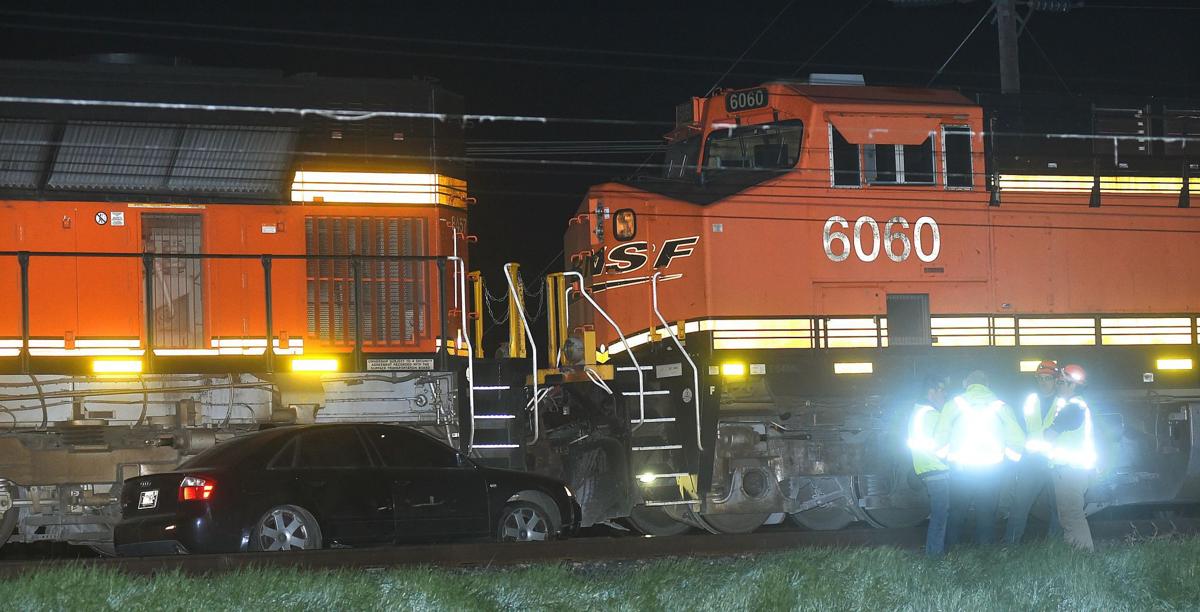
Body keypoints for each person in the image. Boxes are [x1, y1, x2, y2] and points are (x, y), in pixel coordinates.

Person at [935, 370, 1025, 547]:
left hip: (961, 469)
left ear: (965, 383)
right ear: (988, 385)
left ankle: (952, 553)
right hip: (991, 470)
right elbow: (1018, 438)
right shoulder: (1001, 406)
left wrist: (945, 457)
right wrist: (1008, 461)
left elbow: (940, 436)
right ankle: (985, 555)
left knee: (957, 513)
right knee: (987, 514)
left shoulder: (953, 405)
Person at [1004, 360, 1061, 544]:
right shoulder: (1030, 401)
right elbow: (1019, 428)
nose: (1043, 382)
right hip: (1032, 461)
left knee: (1058, 508)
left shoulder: (1064, 402)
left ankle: (1054, 547)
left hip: (1055, 462)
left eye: (1047, 378)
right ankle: (1010, 546)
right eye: (1040, 378)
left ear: (1056, 380)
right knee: (1020, 505)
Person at [1045, 364, 1097, 551]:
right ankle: (1075, 555)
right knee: (1068, 516)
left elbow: (1049, 435)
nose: (1058, 385)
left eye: (1061, 382)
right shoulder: (1078, 406)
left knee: (1072, 516)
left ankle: (1084, 556)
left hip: (1069, 471)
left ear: (1072, 385)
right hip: (1074, 471)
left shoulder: (1073, 409)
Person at [907, 374, 949, 556]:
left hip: (926, 468)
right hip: (937, 468)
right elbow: (943, 443)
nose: (945, 394)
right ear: (931, 392)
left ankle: (934, 552)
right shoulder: (931, 415)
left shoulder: (918, 412)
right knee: (940, 516)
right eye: (942, 390)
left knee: (939, 514)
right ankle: (934, 556)